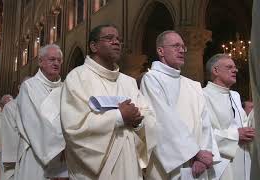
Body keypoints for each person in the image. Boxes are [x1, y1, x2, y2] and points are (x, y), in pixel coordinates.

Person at [60, 24, 156, 179]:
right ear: (93, 46)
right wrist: (119, 117)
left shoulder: (128, 82)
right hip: (97, 170)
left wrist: (138, 120)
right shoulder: (78, 78)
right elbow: (74, 126)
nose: (116, 42)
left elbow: (147, 115)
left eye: (118, 39)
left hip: (129, 161)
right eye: (109, 38)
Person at [140, 30, 217, 179]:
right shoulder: (152, 79)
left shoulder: (193, 85)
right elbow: (161, 121)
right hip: (169, 164)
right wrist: (195, 153)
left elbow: (205, 123)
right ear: (160, 51)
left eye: (183, 46)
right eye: (176, 46)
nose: (182, 50)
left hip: (198, 164)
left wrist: (205, 153)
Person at [16, 44, 68, 180]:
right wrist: (59, 148)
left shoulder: (66, 89)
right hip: (37, 154)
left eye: (59, 60)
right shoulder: (29, 87)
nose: (56, 63)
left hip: (65, 155)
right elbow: (33, 122)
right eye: (52, 59)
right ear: (40, 62)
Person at [203, 53, 255, 180]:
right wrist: (236, 135)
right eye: (229, 67)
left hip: (244, 157)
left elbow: (245, 124)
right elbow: (203, 134)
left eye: (235, 67)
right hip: (222, 164)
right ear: (215, 70)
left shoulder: (235, 95)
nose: (235, 70)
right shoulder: (202, 95)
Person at [0, 76, 30, 180]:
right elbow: (10, 136)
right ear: (19, 87)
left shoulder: (40, 106)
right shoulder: (11, 107)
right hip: (18, 157)